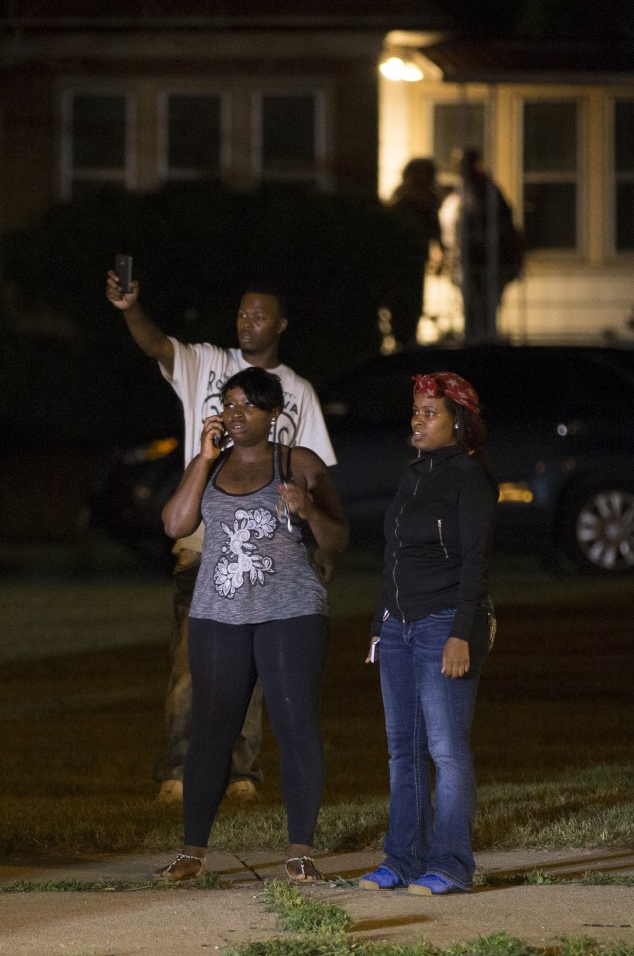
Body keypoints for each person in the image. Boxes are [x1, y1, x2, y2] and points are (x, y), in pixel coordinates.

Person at [105, 274, 337, 805]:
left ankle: (240, 773)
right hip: (205, 536)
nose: (246, 324)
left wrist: (321, 551)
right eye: (240, 314)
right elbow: (156, 344)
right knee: (192, 657)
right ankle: (180, 769)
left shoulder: (297, 392)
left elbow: (317, 477)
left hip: (268, 546)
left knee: (254, 662)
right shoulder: (209, 364)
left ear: (280, 325)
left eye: (258, 316)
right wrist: (131, 308)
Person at [154, 366, 349, 882]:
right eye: (229, 404)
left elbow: (337, 539)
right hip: (219, 614)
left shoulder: (298, 462)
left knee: (295, 725)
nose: (236, 415)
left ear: (274, 414)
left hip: (291, 612)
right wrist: (202, 456)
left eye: (247, 406)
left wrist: (307, 509)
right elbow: (175, 524)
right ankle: (192, 852)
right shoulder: (211, 465)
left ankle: (300, 850)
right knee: (211, 732)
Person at [358, 370, 498, 896]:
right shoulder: (411, 476)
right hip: (399, 625)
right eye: (415, 411)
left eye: (430, 412)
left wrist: (462, 631)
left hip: (445, 621)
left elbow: (476, 563)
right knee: (403, 749)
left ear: (459, 423)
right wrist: (380, 625)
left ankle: (452, 863)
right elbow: (394, 557)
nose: (417, 420)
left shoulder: (471, 479)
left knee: (445, 747)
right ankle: (402, 858)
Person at [439, 149, 523, 343]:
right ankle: (475, 340)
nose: (461, 170)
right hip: (471, 259)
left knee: (484, 307)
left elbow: (502, 224)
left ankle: (482, 343)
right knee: (472, 307)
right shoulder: (464, 191)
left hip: (487, 260)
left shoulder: (487, 191)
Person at [385, 158, 442, 349]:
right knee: (399, 299)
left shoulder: (428, 199)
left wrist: (440, 249)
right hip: (398, 257)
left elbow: (434, 228)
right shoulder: (401, 197)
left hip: (416, 256)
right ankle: (401, 336)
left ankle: (408, 337)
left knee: (413, 299)